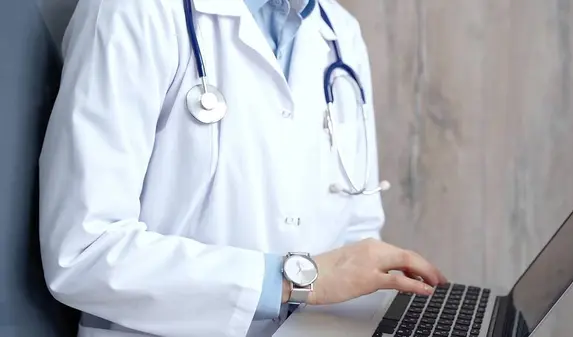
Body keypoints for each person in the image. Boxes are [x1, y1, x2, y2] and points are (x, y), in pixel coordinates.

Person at [38, 0, 447, 336]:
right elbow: (83, 252)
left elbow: (357, 231)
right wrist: (295, 281)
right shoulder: (135, 11)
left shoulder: (341, 33)